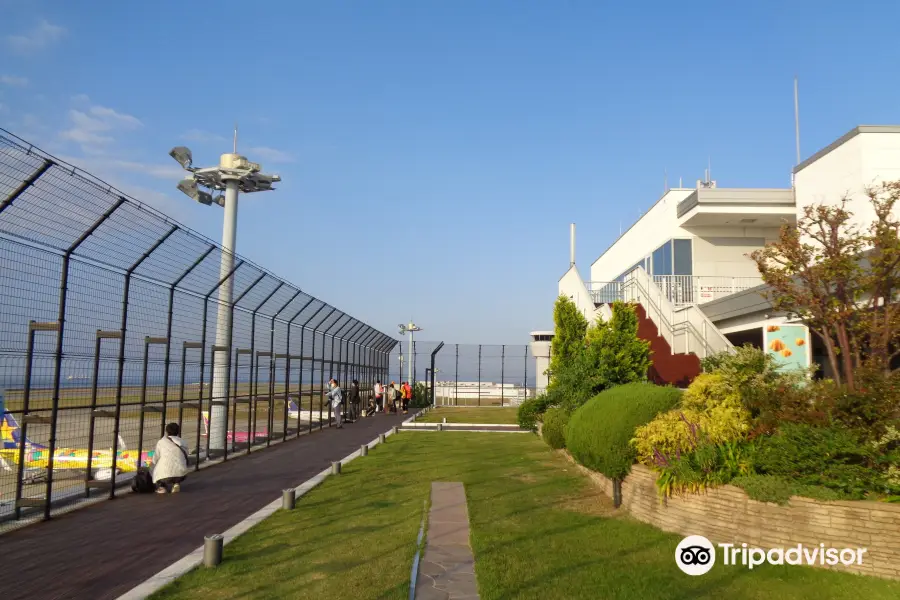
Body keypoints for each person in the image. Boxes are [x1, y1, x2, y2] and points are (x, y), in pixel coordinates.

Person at [152, 422, 189, 494]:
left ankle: (162, 487)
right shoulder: (183, 442)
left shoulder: (161, 442)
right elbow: (186, 455)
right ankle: (176, 483)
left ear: (166, 432)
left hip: (164, 475)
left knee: (157, 469)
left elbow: (155, 458)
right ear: (178, 431)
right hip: (181, 474)